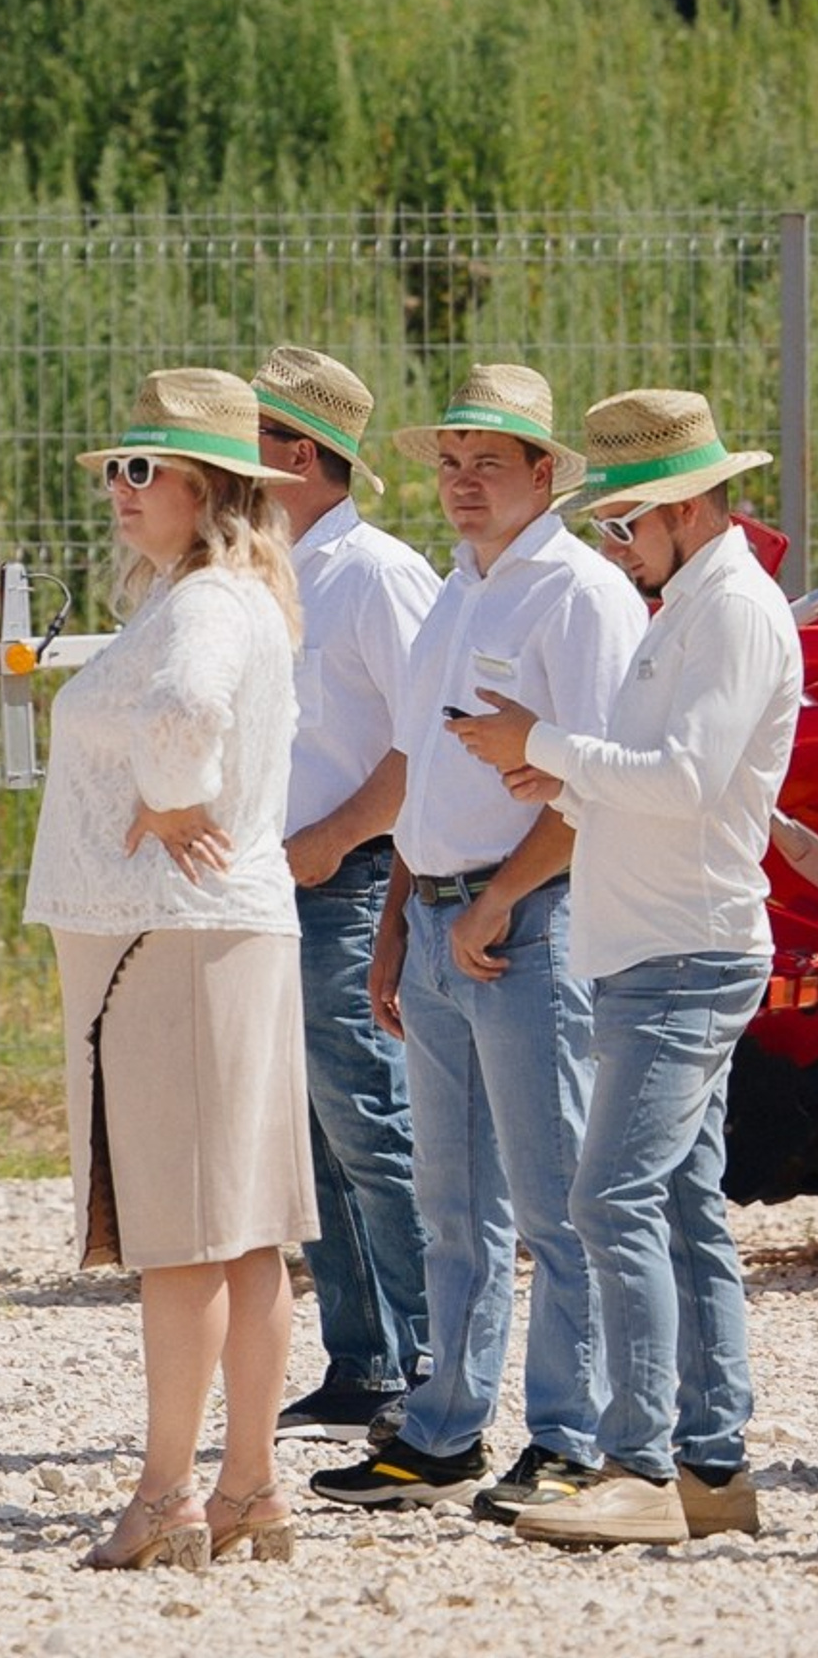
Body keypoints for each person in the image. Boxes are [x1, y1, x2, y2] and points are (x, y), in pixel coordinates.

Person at [447, 390, 803, 1549]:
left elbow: (689, 781)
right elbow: (658, 773)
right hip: (658, 942)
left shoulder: (730, 614)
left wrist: (543, 749)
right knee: (682, 1208)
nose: (614, 543)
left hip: (681, 952)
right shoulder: (694, 604)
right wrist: (559, 774)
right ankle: (709, 1468)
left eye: (624, 523)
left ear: (682, 510)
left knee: (612, 1197)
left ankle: (638, 1467)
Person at [312, 363, 645, 1523]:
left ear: (545, 474)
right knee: (454, 1207)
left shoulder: (579, 595)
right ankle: (445, 1428)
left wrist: (498, 899)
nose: (458, 484)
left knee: (556, 1200)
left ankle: (569, 1436)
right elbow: (424, 776)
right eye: (448, 463)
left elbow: (591, 783)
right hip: (448, 913)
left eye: (485, 463)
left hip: (528, 923)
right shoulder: (456, 591)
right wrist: (398, 923)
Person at [22, 368, 314, 1574]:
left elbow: (187, 709)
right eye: (117, 468)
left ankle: (167, 1495)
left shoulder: (202, 602)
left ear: (212, 488)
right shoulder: (221, 593)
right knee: (239, 1228)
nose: (120, 489)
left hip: (170, 934)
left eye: (146, 471)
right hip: (208, 932)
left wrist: (166, 796)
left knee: (184, 1232)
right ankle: (246, 1485)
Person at [251, 346, 436, 1430]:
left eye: (252, 448)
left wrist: (334, 836)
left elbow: (429, 743)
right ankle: (362, 1359)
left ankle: (428, 1365)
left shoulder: (377, 575)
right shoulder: (275, 573)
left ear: (305, 456)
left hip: (346, 879)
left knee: (369, 1124)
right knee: (311, 1136)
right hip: (281, 882)